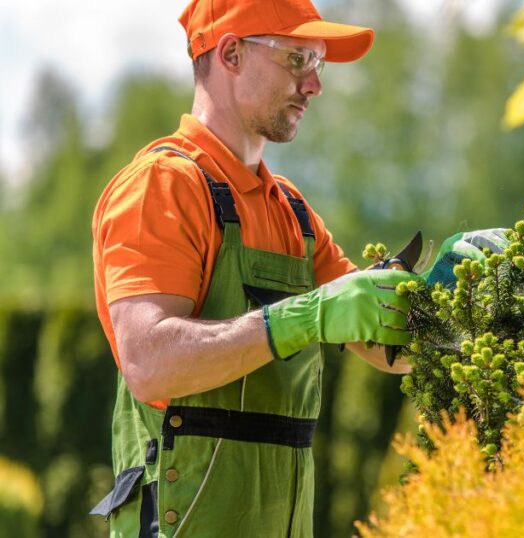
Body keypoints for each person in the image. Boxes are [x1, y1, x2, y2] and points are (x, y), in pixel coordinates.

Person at [88, 0, 434, 535]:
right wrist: (301, 320)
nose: (315, 85)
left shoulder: (292, 213)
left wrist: (461, 295)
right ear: (229, 53)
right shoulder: (163, 186)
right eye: (298, 60)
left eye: (317, 64)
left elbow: (385, 344)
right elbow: (149, 361)